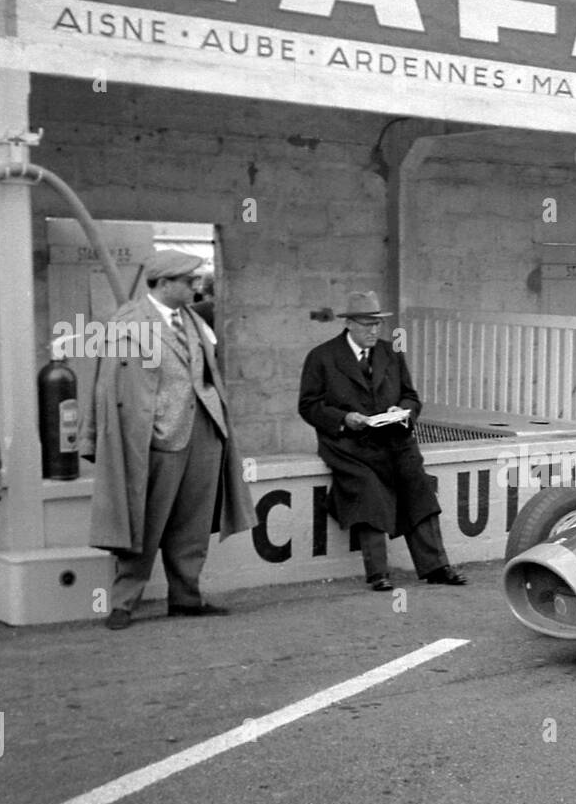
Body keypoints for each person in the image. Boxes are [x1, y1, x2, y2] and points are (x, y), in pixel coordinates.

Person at [80, 250, 257, 630]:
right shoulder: (129, 322)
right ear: (163, 283)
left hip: (203, 434)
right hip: (155, 439)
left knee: (192, 525)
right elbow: (107, 388)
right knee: (141, 521)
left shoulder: (193, 320)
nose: (197, 286)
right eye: (189, 281)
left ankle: (186, 598)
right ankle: (124, 603)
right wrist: (96, 438)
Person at [297, 291, 466, 591]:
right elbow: (308, 405)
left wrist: (402, 411)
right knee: (368, 490)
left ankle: (437, 567)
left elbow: (411, 397)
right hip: (350, 446)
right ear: (348, 324)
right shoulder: (322, 357)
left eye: (377, 324)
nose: (374, 331)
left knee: (418, 485)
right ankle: (378, 573)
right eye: (366, 325)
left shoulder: (392, 353)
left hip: (394, 441)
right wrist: (344, 418)